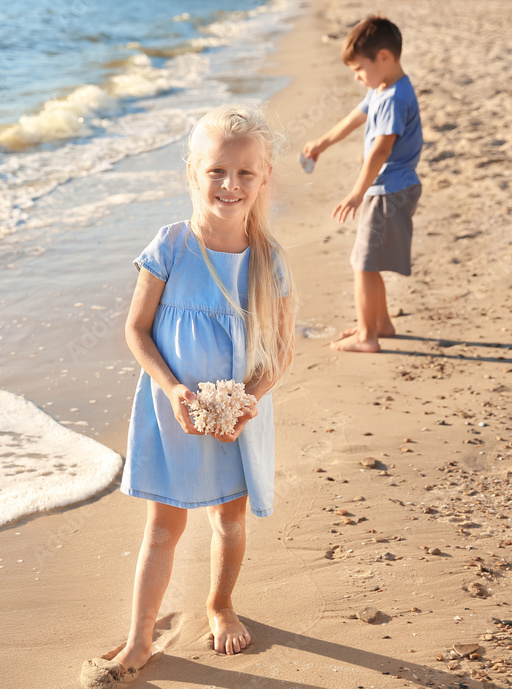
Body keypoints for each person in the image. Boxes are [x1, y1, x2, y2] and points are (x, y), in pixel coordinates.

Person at [79, 104, 295, 688]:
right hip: (171, 409)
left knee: (229, 518)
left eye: (245, 173)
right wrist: (173, 388)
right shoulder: (171, 245)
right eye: (217, 171)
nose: (230, 184)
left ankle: (220, 604)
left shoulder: (268, 262)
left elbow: (281, 352)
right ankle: (141, 637)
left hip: (236, 415)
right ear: (194, 173)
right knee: (163, 527)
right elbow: (136, 329)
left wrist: (247, 400)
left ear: (264, 177)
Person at [303, 15, 422, 353]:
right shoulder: (382, 88)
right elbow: (355, 118)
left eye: (359, 69)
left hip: (388, 191)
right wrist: (321, 143)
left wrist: (356, 193)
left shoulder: (394, 98)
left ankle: (367, 336)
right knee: (368, 263)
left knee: (363, 265)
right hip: (388, 189)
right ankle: (380, 323)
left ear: (383, 57)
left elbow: (382, 149)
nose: (356, 77)